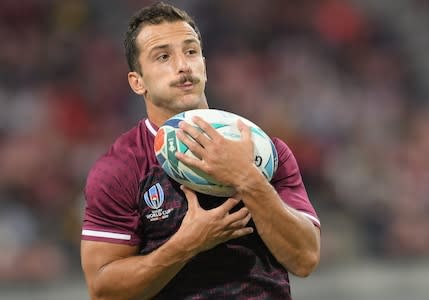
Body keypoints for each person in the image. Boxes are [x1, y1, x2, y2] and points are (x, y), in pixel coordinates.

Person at [80, 2, 321, 299]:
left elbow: (306, 258)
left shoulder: (265, 152)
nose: (183, 65)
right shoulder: (121, 169)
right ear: (137, 81)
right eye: (163, 56)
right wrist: (186, 244)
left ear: (204, 64)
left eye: (191, 51)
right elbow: (103, 291)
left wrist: (248, 179)